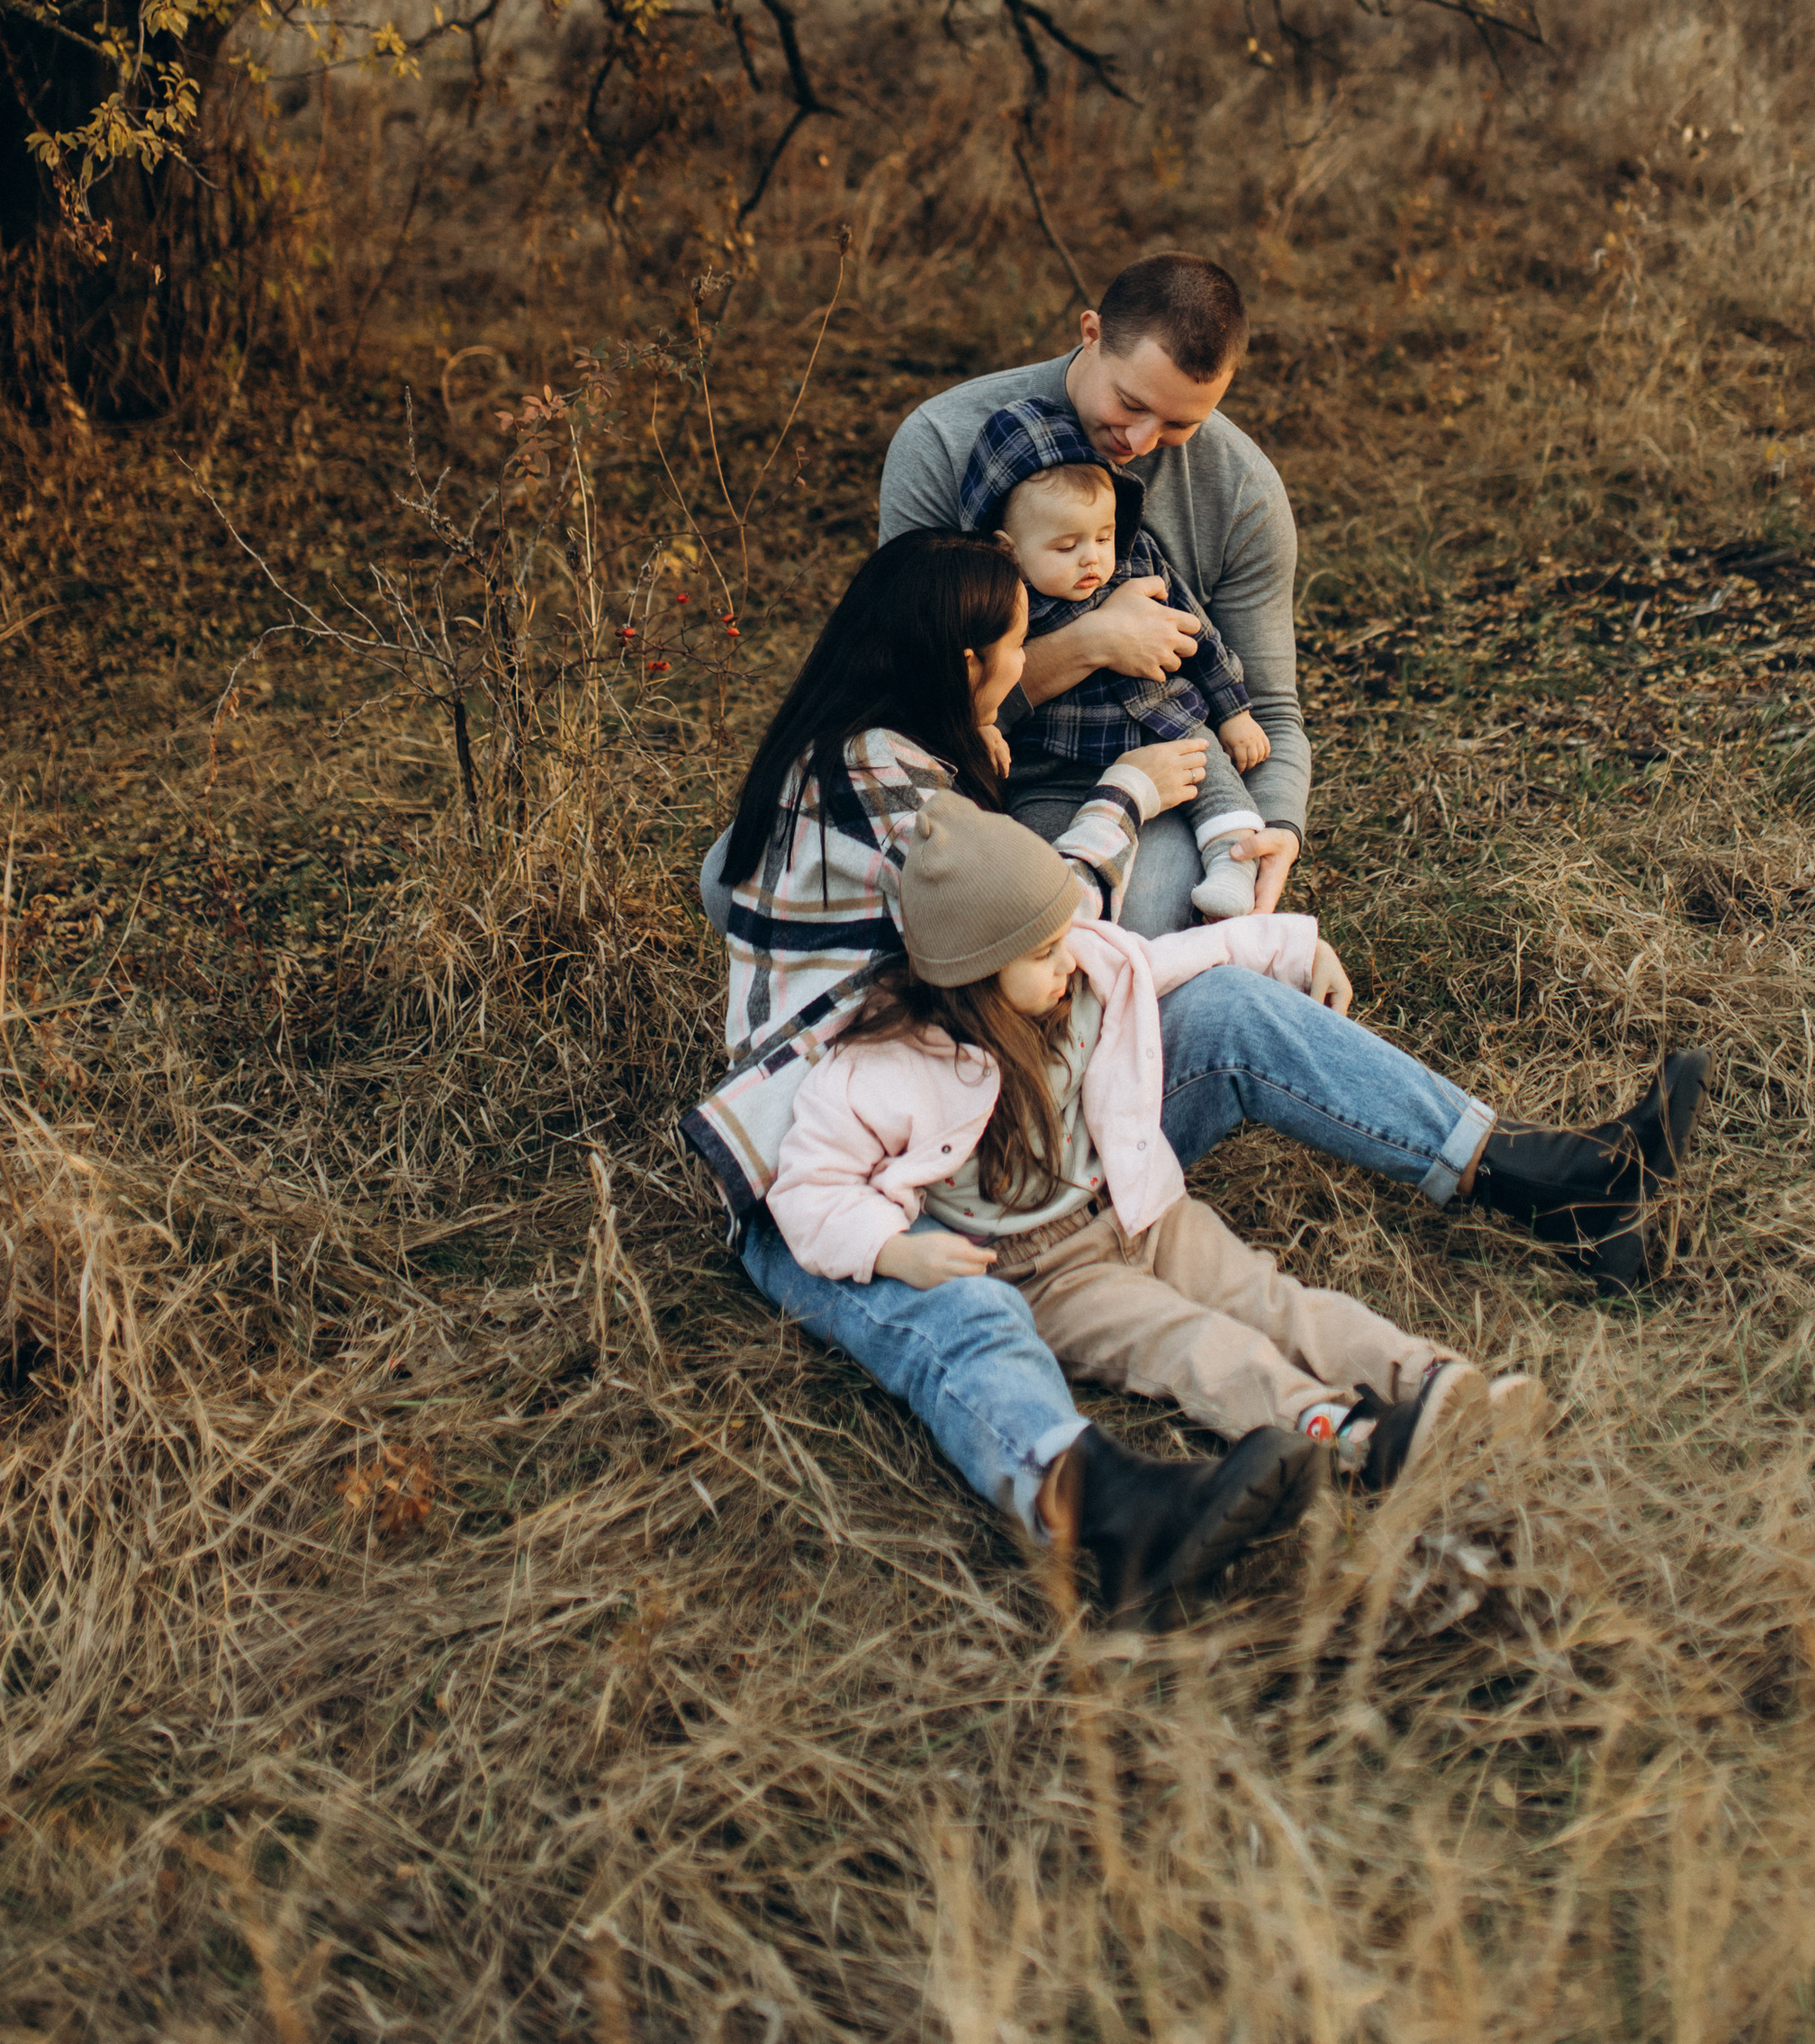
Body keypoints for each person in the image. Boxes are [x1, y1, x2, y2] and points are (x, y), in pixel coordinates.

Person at [686, 535, 1709, 1596]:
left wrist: (1267, 935)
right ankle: (1106, 1517)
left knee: (1227, 1008)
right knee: (967, 1314)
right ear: (961, 662)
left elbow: (1048, 964)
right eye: (1012, 642)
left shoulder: (896, 751)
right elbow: (1052, 926)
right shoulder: (890, 792)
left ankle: (1553, 1182)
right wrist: (1124, 792)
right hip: (855, 1173)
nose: (1025, 655)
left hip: (1008, 1123)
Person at [771, 789, 1549, 1565]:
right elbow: (809, 1185)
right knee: (1194, 1345)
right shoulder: (887, 1067)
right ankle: (1351, 1437)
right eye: (1041, 953)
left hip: (1142, 1211)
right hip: (1049, 1276)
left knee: (1267, 1295)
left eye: (1063, 937)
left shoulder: (1085, 969)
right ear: (973, 972)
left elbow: (1183, 955)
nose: (1067, 957)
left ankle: (1431, 1382)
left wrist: (1295, 947)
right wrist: (892, 1250)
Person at [878, 249, 1300, 936]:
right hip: (968, 767)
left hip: (1157, 782)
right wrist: (1091, 643)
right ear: (1091, 332)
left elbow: (1272, 710)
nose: (1139, 440)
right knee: (742, 877)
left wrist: (1276, 825)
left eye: (1179, 424)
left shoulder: (1244, 491)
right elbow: (902, 692)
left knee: (1124, 916)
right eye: (1130, 403)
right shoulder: (943, 443)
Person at [960, 396, 1270, 917]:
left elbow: (1202, 637)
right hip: (1054, 766)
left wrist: (1235, 712)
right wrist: (984, 721)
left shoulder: (1137, 559)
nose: (1093, 558)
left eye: (1103, 537)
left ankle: (1234, 864)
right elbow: (974, 674)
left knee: (1211, 771)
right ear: (1008, 546)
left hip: (1164, 725)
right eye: (1065, 547)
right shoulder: (999, 598)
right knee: (1043, 856)